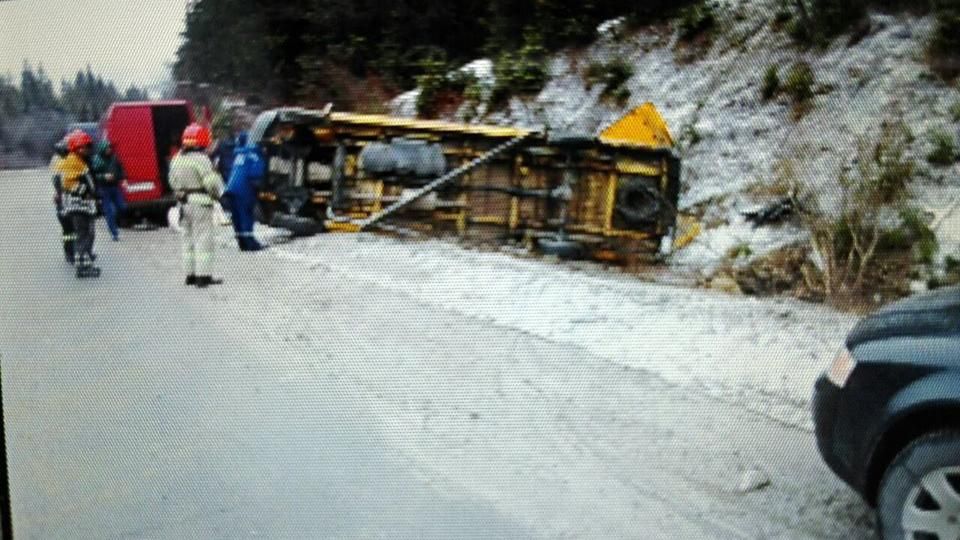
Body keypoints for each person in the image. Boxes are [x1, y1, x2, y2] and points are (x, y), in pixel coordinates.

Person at [168, 123, 225, 288]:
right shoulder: (201, 159)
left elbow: (172, 181)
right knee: (203, 240)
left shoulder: (177, 158)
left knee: (187, 240)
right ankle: (203, 277)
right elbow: (211, 183)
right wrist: (218, 194)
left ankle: (190, 275)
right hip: (200, 204)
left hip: (183, 204)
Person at [55, 129, 100, 278]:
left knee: (89, 234)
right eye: (83, 146)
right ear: (75, 147)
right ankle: (81, 266)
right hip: (78, 205)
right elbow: (66, 182)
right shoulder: (71, 161)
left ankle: (85, 261)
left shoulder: (79, 160)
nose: (86, 149)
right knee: (83, 234)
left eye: (87, 146)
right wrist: (85, 192)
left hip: (84, 206)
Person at [223, 133, 266, 251]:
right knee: (246, 215)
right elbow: (256, 176)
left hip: (231, 189)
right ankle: (250, 243)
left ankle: (242, 242)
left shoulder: (239, 154)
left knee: (236, 216)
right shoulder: (255, 155)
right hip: (244, 190)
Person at [91, 140, 127, 241]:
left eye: (110, 148)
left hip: (115, 187)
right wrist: (103, 176)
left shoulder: (114, 158)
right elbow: (93, 176)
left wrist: (123, 179)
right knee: (110, 211)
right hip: (104, 189)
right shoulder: (97, 160)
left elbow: (121, 169)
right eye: (107, 148)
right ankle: (114, 232)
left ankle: (116, 222)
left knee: (122, 207)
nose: (109, 150)